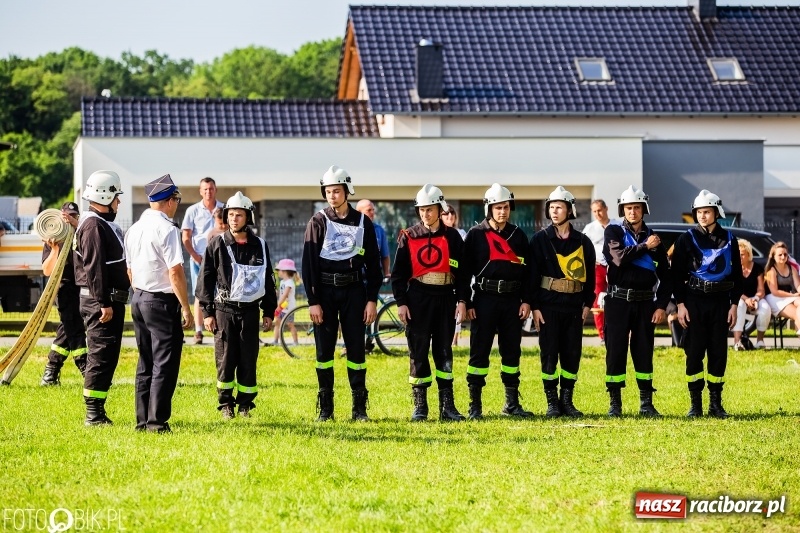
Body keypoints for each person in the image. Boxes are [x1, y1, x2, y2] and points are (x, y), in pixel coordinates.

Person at [302, 166, 381, 422]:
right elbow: (308, 265)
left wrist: (371, 299)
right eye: (328, 191)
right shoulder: (317, 221)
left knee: (356, 351)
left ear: (347, 191)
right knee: (324, 353)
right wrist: (313, 301)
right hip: (325, 293)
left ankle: (359, 409)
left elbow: (374, 264)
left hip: (355, 292)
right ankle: (326, 409)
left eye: (337, 190)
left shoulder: (362, 221)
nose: (332, 195)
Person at [392, 184, 469, 422]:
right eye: (422, 210)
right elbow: (398, 275)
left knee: (444, 351)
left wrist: (462, 300)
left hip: (446, 297)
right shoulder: (408, 237)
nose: (425, 214)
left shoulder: (453, 237)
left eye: (430, 209)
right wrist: (402, 303)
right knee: (418, 352)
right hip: (417, 299)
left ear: (439, 209)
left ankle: (447, 407)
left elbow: (464, 273)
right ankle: (420, 406)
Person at [197, 192, 277, 420]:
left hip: (251, 312)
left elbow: (268, 279)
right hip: (224, 311)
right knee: (226, 359)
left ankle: (245, 404)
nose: (233, 219)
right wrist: (207, 312)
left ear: (248, 217)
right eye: (230, 214)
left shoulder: (260, 245)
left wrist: (269, 311)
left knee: (248, 359)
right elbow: (206, 278)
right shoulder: (217, 244)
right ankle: (225, 404)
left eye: (238, 215)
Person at [124, 175, 193, 433]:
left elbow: (129, 270)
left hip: (139, 296)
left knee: (146, 362)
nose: (177, 204)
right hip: (161, 301)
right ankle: (157, 422)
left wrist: (140, 293)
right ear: (169, 201)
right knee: (164, 362)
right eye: (176, 199)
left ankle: (142, 420)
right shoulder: (167, 229)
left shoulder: (134, 229)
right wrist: (185, 307)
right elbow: (175, 272)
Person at [462, 183, 532, 419]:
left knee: (512, 352)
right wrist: (467, 302)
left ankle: (511, 404)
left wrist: (527, 300)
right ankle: (475, 406)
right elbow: (463, 272)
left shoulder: (518, 235)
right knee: (479, 352)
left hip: (512, 301)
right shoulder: (476, 235)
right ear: (489, 208)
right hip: (484, 300)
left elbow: (528, 272)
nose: (502, 211)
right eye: (497, 207)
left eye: (506, 207)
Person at [672, 189, 743, 419]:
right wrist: (681, 304)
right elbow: (676, 275)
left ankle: (716, 404)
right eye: (699, 212)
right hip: (694, 302)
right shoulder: (685, 239)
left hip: (721, 303)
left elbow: (738, 276)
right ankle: (695, 405)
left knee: (718, 353)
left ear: (716, 213)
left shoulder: (730, 239)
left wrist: (734, 305)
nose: (702, 216)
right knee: (694, 353)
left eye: (707, 211)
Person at [602, 186, 671, 417]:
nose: (632, 211)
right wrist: (645, 247)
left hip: (645, 303)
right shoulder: (613, 231)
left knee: (643, 351)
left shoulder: (655, 239)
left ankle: (646, 404)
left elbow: (667, 276)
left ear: (644, 209)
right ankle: (615, 404)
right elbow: (618, 258)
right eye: (628, 207)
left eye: (637, 207)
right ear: (623, 209)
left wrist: (661, 305)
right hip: (617, 301)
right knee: (615, 351)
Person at [529, 186, 595, 418]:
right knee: (549, 354)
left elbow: (591, 278)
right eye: (552, 207)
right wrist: (535, 307)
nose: (555, 211)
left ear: (570, 210)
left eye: (560, 207)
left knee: (571, 353)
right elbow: (532, 276)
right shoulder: (539, 240)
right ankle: (552, 403)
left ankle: (567, 401)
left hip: (574, 308)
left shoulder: (583, 242)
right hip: (547, 307)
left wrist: (587, 304)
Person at [73, 170, 131, 426]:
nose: (118, 202)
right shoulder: (94, 225)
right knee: (100, 354)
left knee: (107, 354)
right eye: (116, 197)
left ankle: (98, 410)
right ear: (105, 196)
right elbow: (94, 268)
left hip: (108, 299)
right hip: (102, 302)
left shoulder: (98, 223)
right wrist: (103, 303)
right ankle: (93, 414)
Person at [40, 202, 87, 386]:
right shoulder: (53, 238)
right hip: (65, 289)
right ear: (60, 216)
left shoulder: (82, 234)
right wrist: (54, 249)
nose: (69, 220)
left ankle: (51, 372)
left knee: (68, 328)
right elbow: (47, 270)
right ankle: (85, 369)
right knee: (74, 330)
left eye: (74, 216)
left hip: (82, 288)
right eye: (67, 216)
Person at [181, 177, 224, 345]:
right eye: (205, 189)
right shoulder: (192, 211)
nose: (208, 192)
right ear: (200, 191)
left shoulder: (223, 208)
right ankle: (198, 331)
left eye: (211, 188)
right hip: (199, 259)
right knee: (201, 294)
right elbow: (186, 237)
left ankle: (219, 327)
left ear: (215, 189)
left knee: (221, 292)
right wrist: (194, 255)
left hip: (221, 258)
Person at [582, 199, 617, 345]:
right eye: (594, 211)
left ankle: (615, 332)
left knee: (616, 298)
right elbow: (582, 248)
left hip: (614, 267)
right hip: (597, 268)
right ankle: (602, 334)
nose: (597, 214)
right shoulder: (590, 228)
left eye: (600, 210)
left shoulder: (617, 225)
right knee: (597, 301)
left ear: (606, 208)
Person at [733, 239, 770, 350]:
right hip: (739, 297)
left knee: (765, 308)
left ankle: (760, 341)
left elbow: (761, 289)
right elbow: (733, 289)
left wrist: (755, 299)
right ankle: (737, 342)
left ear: (749, 254)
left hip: (755, 297)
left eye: (742, 255)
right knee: (739, 305)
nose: (739, 257)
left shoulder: (757, 268)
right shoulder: (733, 268)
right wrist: (746, 299)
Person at [442, 203, 467, 346]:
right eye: (446, 214)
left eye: (452, 213)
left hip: (457, 277)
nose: (450, 216)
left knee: (458, 307)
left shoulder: (461, 233)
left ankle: (455, 338)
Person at [764, 241, 800, 335]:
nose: (783, 257)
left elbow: (797, 285)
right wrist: (793, 295)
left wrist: (798, 291)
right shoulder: (771, 270)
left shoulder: (792, 268)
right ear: (773, 256)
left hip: (791, 296)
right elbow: (774, 291)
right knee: (797, 314)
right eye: (780, 255)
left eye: (785, 254)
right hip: (775, 298)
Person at [356, 199, 391, 280]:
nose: (372, 213)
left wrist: (387, 273)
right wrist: (367, 252)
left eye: (373, 210)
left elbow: (385, 254)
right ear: (359, 212)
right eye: (369, 210)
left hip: (374, 275)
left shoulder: (379, 230)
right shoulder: (351, 229)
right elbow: (352, 250)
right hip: (356, 277)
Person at [271, 258, 299, 346]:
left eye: (279, 270)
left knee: (290, 325)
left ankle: (295, 342)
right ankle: (275, 341)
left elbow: (285, 295)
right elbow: (282, 292)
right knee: (277, 323)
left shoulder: (290, 282)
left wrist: (279, 303)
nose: (278, 272)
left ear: (284, 271)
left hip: (288, 309)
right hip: (282, 308)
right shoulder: (283, 281)